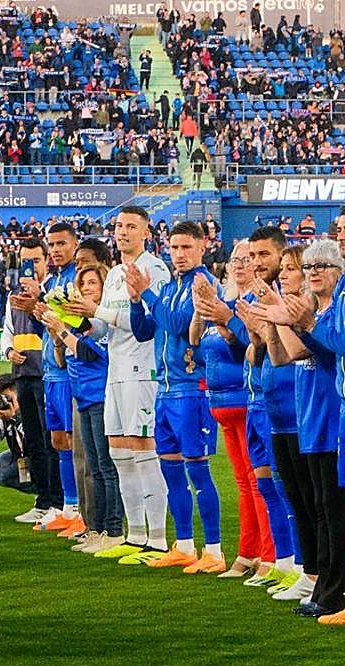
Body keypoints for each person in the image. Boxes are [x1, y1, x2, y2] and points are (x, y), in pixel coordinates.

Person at [66, 207, 171, 563]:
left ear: (145, 232)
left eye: (130, 226)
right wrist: (80, 314)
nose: (122, 232)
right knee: (119, 453)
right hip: (116, 371)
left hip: (143, 369)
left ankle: (157, 539)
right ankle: (135, 534)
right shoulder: (112, 276)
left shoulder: (153, 268)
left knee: (142, 450)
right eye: (118, 226)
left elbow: (148, 321)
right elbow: (106, 329)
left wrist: (99, 313)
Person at [247, 239, 345, 619]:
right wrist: (274, 323)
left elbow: (325, 351)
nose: (314, 271)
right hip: (310, 421)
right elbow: (281, 355)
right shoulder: (318, 312)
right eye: (309, 266)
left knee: (330, 510)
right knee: (318, 507)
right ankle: (322, 582)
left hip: (329, 419)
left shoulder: (333, 309)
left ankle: (331, 588)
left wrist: (299, 322)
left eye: (322, 265)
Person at [129, 221, 224, 572]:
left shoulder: (204, 284)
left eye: (186, 248)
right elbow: (142, 332)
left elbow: (178, 325)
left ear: (202, 248)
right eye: (174, 248)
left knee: (198, 472)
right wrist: (137, 300)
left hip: (191, 390)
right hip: (165, 391)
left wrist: (148, 294)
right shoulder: (168, 287)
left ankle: (213, 550)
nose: (179, 254)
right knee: (171, 472)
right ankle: (184, 544)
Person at [189, 240, 276, 579]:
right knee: (244, 484)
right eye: (236, 259)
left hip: (248, 401)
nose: (241, 265)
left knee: (260, 484)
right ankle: (249, 551)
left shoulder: (253, 303)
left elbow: (251, 349)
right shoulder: (224, 304)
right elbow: (196, 344)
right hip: (222, 403)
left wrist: (229, 329)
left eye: (249, 259)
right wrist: (204, 308)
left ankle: (270, 555)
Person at [232, 229, 303, 590]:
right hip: (262, 401)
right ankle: (284, 563)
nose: (258, 263)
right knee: (269, 485)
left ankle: (305, 568)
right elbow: (254, 353)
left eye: (264, 256)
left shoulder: (295, 301)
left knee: (297, 493)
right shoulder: (258, 299)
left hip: (294, 405)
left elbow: (298, 353)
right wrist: (254, 335)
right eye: (252, 256)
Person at [43, 264, 123, 554]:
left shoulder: (100, 322)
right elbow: (66, 360)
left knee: (105, 466)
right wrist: (58, 333)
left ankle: (113, 529)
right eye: (83, 283)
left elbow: (90, 353)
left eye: (93, 282)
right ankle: (98, 528)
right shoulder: (82, 323)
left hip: (101, 398)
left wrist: (61, 330)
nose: (88, 288)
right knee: (94, 466)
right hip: (84, 398)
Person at [2, 237, 62, 523]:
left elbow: (56, 321)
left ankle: (58, 500)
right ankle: (43, 499)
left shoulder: (53, 291)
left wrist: (38, 299)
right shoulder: (14, 295)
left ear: (46, 259)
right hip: (23, 375)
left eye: (36, 260)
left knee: (52, 439)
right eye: (26, 260)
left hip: (47, 373)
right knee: (34, 440)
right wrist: (9, 350)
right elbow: (7, 330)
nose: (31, 266)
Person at [32, 223, 82, 534]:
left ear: (74, 244)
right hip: (51, 369)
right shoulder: (57, 280)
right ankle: (69, 506)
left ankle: (79, 508)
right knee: (58, 440)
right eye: (52, 244)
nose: (55, 249)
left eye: (61, 243)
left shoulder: (77, 278)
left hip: (67, 372)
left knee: (73, 441)